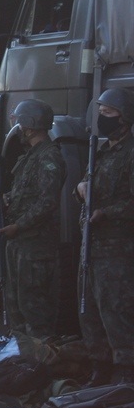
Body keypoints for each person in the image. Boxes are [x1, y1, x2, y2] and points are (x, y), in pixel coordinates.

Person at [76, 88, 134, 384]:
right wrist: (82, 187)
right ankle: (99, 367)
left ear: (125, 118)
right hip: (92, 245)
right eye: (99, 112)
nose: (102, 118)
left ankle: (124, 374)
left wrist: (107, 213)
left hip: (117, 248)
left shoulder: (130, 152)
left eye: (108, 113)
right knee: (89, 310)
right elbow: (88, 180)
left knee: (116, 310)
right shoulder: (100, 150)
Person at [0, 98, 64, 339]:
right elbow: (27, 193)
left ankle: (39, 363)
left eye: (21, 123)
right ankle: (20, 359)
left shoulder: (48, 157)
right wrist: (9, 199)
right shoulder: (30, 156)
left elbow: (47, 202)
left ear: (31, 125)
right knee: (16, 306)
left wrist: (19, 225)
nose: (19, 129)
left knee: (34, 309)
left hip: (35, 245)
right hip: (21, 242)